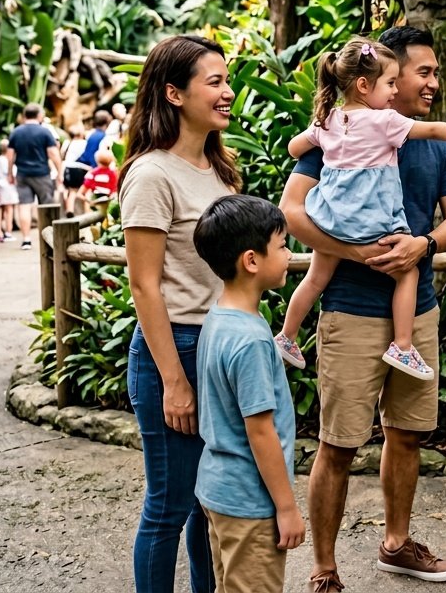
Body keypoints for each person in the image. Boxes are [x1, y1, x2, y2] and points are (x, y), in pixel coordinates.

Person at [280, 27, 446, 591]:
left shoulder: (438, 145)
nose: (434, 82)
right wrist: (355, 253)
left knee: (407, 433)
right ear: (386, 77)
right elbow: (292, 211)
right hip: (350, 310)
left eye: (436, 73)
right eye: (424, 72)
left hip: (419, 309)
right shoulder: (343, 129)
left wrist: (424, 245)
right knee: (337, 444)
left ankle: (396, 543)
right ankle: (324, 568)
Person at [274, 37, 446, 376]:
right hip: (356, 291)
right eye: (420, 73)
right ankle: (402, 346)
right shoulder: (386, 122)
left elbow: (294, 148)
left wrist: (319, 136)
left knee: (314, 277)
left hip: (331, 218)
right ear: (367, 84)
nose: (434, 84)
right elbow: (436, 129)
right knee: (407, 272)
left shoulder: (329, 121)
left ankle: (286, 336)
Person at [120, 34, 241, 593]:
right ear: (173, 93)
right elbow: (144, 286)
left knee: (207, 505)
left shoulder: (218, 170)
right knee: (169, 507)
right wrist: (173, 380)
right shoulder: (152, 175)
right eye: (213, 82)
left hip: (218, 348)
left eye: (226, 80)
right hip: (176, 349)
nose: (227, 92)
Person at [192, 194, 303, 593]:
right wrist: (286, 507)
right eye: (282, 245)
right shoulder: (251, 341)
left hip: (218, 491)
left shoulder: (218, 318)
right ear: (252, 261)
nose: (290, 254)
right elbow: (260, 432)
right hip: (250, 503)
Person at [6, 103, 63, 249]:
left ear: (25, 115)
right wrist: (59, 172)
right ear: (39, 115)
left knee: (24, 206)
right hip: (42, 174)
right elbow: (53, 153)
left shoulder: (16, 132)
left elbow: (10, 155)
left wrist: (9, 173)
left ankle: (26, 240)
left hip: (22, 175)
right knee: (47, 206)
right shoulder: (44, 132)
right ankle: (52, 240)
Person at [61, 123, 90, 213]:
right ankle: (87, 211)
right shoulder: (85, 143)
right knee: (85, 190)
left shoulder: (67, 142)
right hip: (81, 168)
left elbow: (62, 154)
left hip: (68, 168)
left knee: (72, 191)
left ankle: (70, 210)